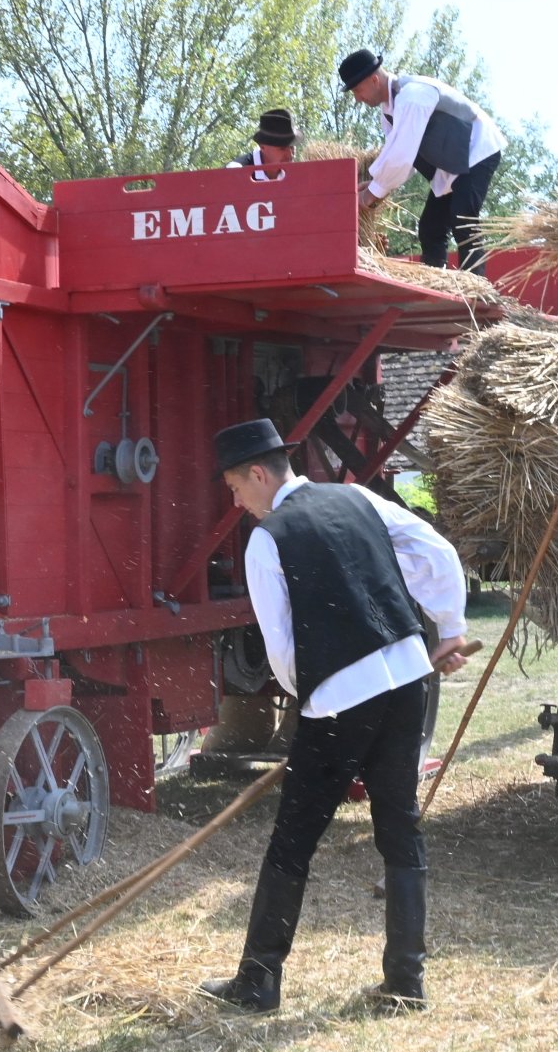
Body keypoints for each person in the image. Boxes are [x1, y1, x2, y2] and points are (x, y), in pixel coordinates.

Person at [202, 418, 471, 1015]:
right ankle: (406, 983)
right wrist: (449, 630)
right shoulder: (358, 497)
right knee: (400, 828)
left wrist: (314, 703)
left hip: (338, 701)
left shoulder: (268, 538)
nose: (236, 500)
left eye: (235, 487)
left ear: (257, 472)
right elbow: (437, 550)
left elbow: (281, 646)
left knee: (294, 838)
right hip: (408, 683)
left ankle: (258, 982)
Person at [338, 48, 506, 276]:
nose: (358, 98)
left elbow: (401, 156)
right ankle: (439, 281)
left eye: (358, 90)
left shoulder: (412, 96)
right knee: (430, 227)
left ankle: (477, 287)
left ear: (374, 79)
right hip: (450, 165)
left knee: (463, 216)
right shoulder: (388, 114)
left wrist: (370, 197)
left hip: (476, 149)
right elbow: (402, 159)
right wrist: (375, 184)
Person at [225, 108, 296, 181]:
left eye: (292, 147)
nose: (290, 154)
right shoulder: (236, 173)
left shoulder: (297, 175)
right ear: (262, 146)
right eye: (282, 148)